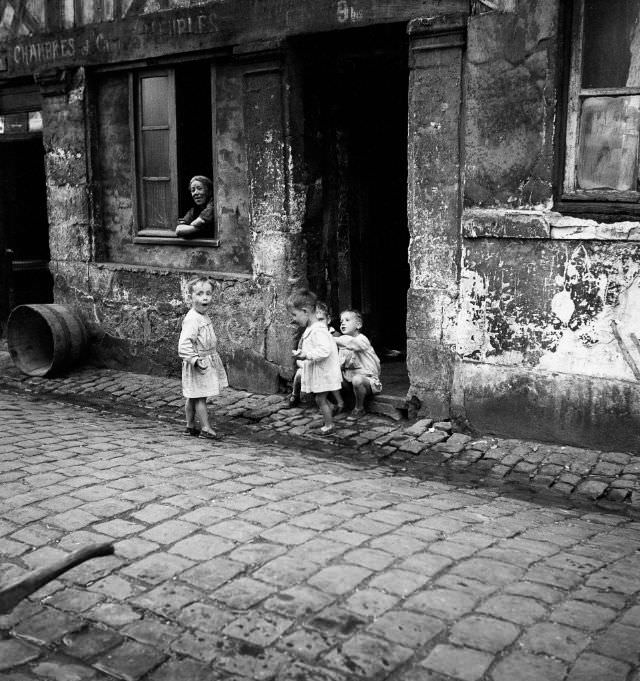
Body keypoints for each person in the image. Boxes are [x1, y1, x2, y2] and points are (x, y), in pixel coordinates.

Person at [178, 276, 228, 439]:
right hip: (198, 362)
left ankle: (190, 426)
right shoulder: (192, 319)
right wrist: (194, 360)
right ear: (190, 297)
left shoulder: (202, 316)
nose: (205, 297)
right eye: (199, 294)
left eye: (208, 293)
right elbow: (184, 345)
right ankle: (205, 428)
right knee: (199, 397)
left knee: (193, 396)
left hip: (204, 359)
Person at [287, 289, 342, 434]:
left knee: (320, 399)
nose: (293, 318)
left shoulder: (318, 330)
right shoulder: (312, 328)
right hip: (318, 371)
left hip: (324, 372)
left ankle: (329, 424)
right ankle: (328, 417)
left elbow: (325, 350)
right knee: (318, 397)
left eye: (294, 314)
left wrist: (306, 355)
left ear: (305, 311)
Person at [335, 309, 382, 419]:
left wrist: (331, 339)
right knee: (331, 374)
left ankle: (359, 408)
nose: (342, 323)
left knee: (357, 379)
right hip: (349, 381)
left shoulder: (362, 339)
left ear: (358, 325)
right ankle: (338, 403)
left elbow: (352, 344)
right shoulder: (342, 340)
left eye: (347, 320)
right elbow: (340, 363)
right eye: (341, 321)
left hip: (369, 381)